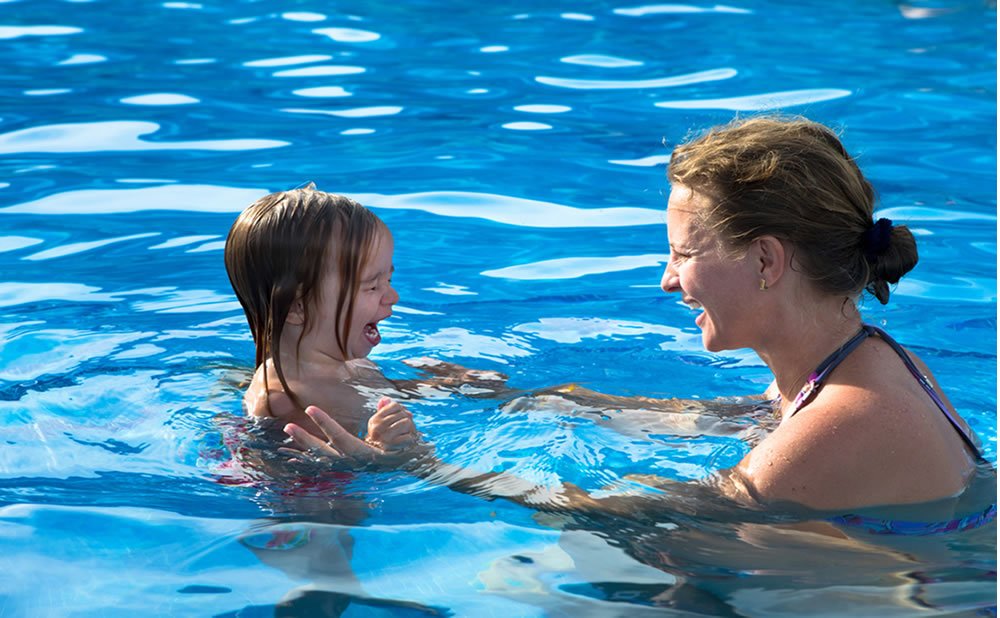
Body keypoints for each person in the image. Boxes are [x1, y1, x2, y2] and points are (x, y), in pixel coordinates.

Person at [281, 118, 994, 530]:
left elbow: (631, 515)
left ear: (767, 262)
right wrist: (519, 401)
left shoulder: (848, 416)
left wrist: (419, 469)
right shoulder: (854, 364)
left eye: (684, 253)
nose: (667, 278)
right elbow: (717, 418)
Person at [224, 184, 418, 453]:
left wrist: (448, 385)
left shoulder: (350, 362)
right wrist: (378, 453)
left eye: (389, 280)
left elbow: (368, 393)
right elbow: (305, 482)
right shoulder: (287, 404)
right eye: (373, 286)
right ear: (298, 307)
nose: (392, 296)